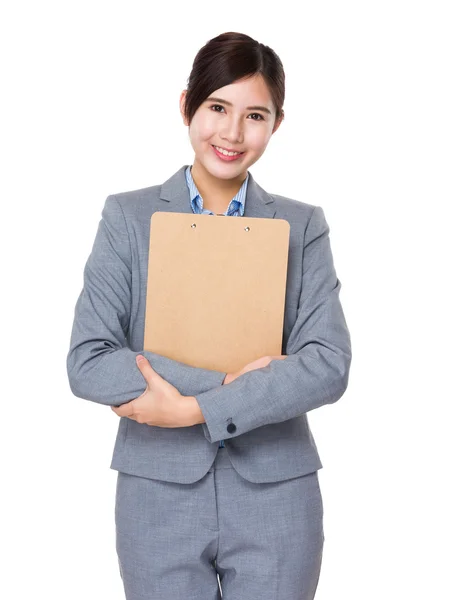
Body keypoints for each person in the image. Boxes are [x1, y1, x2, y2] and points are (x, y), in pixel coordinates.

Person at [66, 31, 352, 600]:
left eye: (255, 115)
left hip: (277, 488)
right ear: (186, 106)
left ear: (277, 124)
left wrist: (193, 408)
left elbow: (328, 364)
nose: (232, 132)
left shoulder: (302, 226)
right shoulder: (127, 218)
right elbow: (89, 361)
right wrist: (222, 386)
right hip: (158, 491)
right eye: (217, 107)